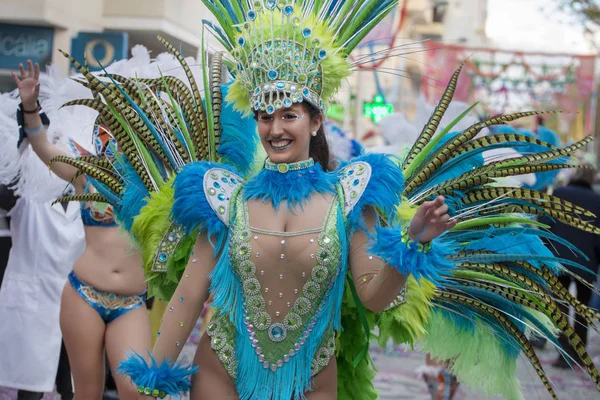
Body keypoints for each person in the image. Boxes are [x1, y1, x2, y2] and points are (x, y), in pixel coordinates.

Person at [55, 2, 600, 399]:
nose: (275, 128)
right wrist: (150, 375)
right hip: (219, 372)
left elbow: (372, 298)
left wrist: (409, 248)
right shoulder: (223, 196)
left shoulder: (353, 195)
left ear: (315, 119)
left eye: (289, 114)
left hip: (313, 377)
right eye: (266, 115)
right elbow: (189, 295)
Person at [10, 60, 151, 399]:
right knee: (86, 392)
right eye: (111, 125)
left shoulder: (160, 182)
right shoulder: (87, 172)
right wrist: (30, 107)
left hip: (132, 302)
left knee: (138, 392)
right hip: (83, 294)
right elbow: (43, 147)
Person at [0, 182, 79, 400]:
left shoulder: (89, 195)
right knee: (31, 387)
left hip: (77, 301)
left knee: (74, 385)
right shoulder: (24, 190)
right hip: (37, 302)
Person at [541, 167, 600, 368]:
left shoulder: (560, 194)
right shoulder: (597, 199)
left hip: (559, 258)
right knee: (582, 309)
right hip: (587, 261)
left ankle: (564, 353)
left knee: (560, 307)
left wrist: (543, 251)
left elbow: (545, 223)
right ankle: (579, 352)